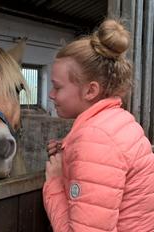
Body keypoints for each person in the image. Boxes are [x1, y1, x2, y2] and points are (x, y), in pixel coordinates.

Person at [43, 18, 154, 232]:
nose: (50, 94)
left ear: (90, 91)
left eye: (57, 87)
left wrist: (55, 184)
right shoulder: (119, 121)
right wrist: (69, 150)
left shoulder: (96, 139)